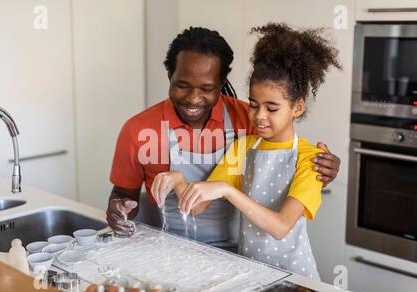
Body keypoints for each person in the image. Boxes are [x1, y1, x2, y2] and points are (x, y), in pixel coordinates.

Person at [107, 26, 341, 252]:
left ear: (221, 81)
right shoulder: (138, 130)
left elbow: (287, 159)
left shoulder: (250, 121)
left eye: (207, 88)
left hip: (242, 253)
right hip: (173, 248)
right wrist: (119, 209)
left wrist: (322, 168)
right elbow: (124, 195)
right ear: (170, 75)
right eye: (182, 85)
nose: (194, 99)